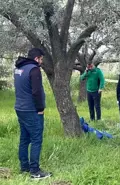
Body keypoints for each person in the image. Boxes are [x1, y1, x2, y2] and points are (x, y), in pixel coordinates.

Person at [14, 48, 52, 179]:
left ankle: (24, 167)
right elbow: (36, 91)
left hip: (20, 108)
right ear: (37, 58)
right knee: (36, 139)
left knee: (24, 139)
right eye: (41, 59)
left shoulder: (19, 68)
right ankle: (35, 171)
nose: (41, 62)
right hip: (31, 110)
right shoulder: (34, 69)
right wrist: (40, 107)